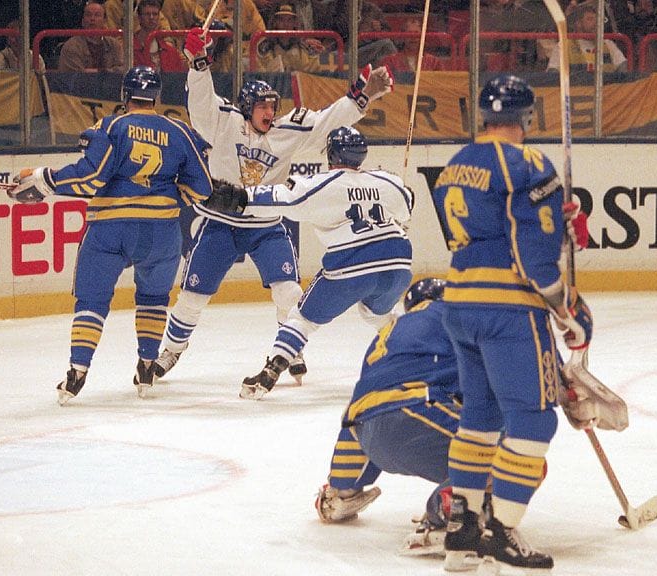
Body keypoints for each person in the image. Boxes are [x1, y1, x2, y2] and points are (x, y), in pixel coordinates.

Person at [150, 27, 394, 386]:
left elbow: (328, 120)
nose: (270, 111)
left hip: (266, 226)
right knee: (192, 297)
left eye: (272, 106)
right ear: (247, 107)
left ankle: (291, 349)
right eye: (262, 106)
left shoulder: (287, 131)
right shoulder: (224, 121)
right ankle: (171, 350)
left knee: (289, 292)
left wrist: (364, 95)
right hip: (220, 224)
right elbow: (200, 104)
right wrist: (198, 63)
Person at [430, 74, 594, 571]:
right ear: (527, 115)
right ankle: (501, 531)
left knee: (479, 417)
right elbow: (531, 255)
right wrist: (565, 309)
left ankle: (461, 533)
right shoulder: (529, 163)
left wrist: (557, 224)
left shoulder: (455, 165)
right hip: (509, 310)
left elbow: (494, 229)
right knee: (534, 418)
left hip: (460, 303)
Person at [7, 66, 214, 405]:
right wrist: (168, 195)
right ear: (157, 97)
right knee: (153, 298)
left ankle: (77, 372)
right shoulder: (180, 131)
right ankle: (146, 367)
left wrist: (45, 180)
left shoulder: (112, 126)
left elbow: (91, 178)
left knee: (92, 300)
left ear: (125, 95)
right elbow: (202, 188)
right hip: (162, 232)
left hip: (111, 229)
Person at [209, 127, 413, 400]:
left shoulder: (324, 184)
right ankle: (415, 354)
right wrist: (406, 193)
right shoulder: (388, 180)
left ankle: (272, 368)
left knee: (302, 318)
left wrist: (239, 198)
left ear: (331, 153)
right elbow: (407, 206)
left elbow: (282, 198)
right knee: (376, 315)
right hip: (398, 264)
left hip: (352, 264)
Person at [314, 277, 465, 556]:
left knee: (366, 405)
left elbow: (357, 411)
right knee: (513, 458)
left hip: (368, 432)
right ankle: (448, 509)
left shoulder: (385, 333)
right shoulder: (451, 315)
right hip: (419, 414)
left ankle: (339, 493)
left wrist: (341, 486)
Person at [255, 3, 324, 73]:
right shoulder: (264, 48)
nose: (286, 24)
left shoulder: (305, 48)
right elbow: (259, 71)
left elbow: (314, 73)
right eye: (281, 20)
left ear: (295, 23)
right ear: (275, 22)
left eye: (289, 20)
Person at [58, 0, 125, 73]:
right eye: (88, 15)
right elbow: (75, 76)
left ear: (104, 21)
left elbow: (123, 69)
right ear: (82, 21)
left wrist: (99, 71)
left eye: (97, 15)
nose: (92, 19)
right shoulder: (71, 46)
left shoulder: (114, 45)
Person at [563, 1, 628, 73]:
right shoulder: (565, 45)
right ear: (578, 23)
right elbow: (554, 72)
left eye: (596, 19)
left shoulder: (608, 44)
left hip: (606, 80)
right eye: (590, 19)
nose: (595, 22)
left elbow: (623, 67)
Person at [378, 17, 447, 72]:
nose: (413, 37)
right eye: (409, 33)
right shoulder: (390, 61)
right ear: (403, 36)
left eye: (416, 33)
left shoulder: (434, 62)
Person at [133, 0, 186, 72]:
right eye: (147, 14)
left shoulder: (171, 52)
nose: (151, 17)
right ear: (139, 17)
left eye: (155, 14)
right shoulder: (130, 50)